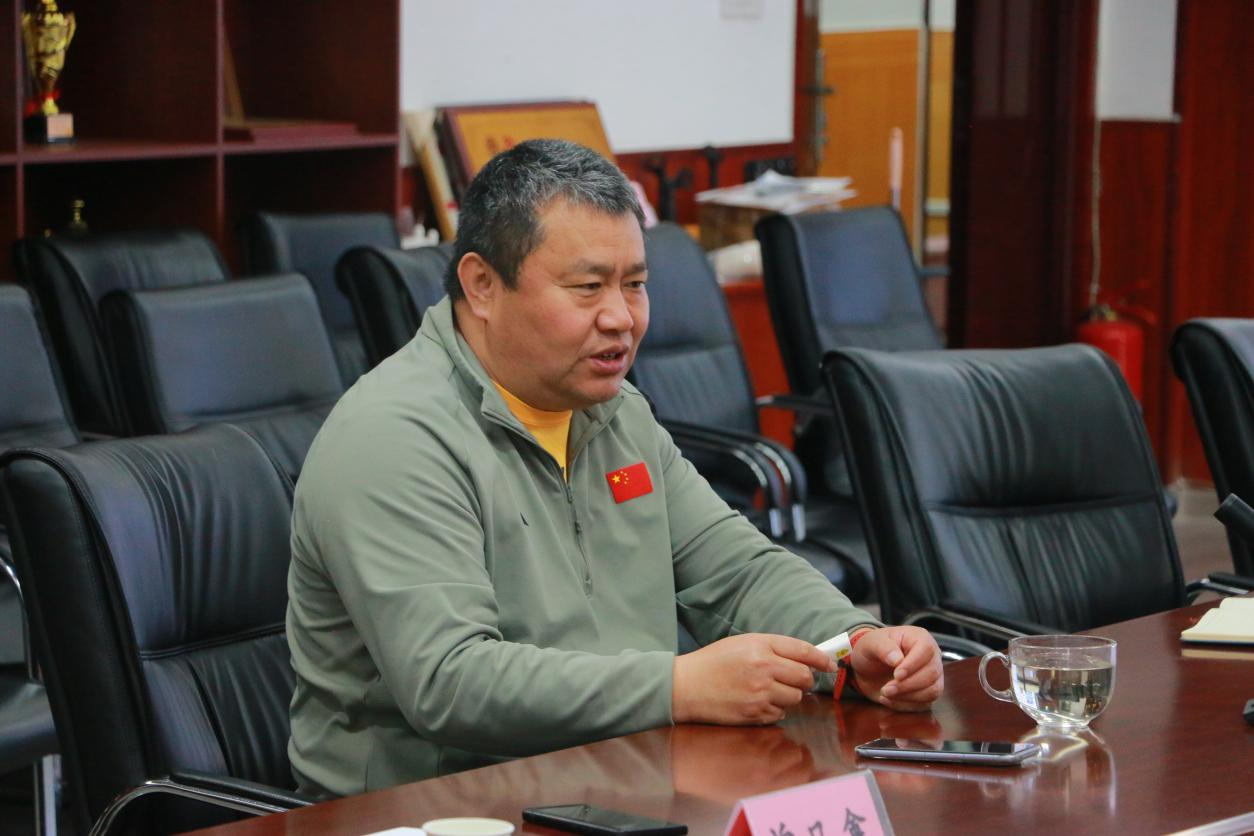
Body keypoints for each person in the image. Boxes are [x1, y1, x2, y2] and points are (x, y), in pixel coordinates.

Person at [287, 139, 943, 799]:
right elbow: (450, 683)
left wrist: (854, 642)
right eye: (588, 287)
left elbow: (736, 571)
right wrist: (677, 687)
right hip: (434, 808)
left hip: (621, 781)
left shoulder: (613, 411)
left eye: (635, 285)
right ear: (482, 285)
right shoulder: (394, 438)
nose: (622, 318)